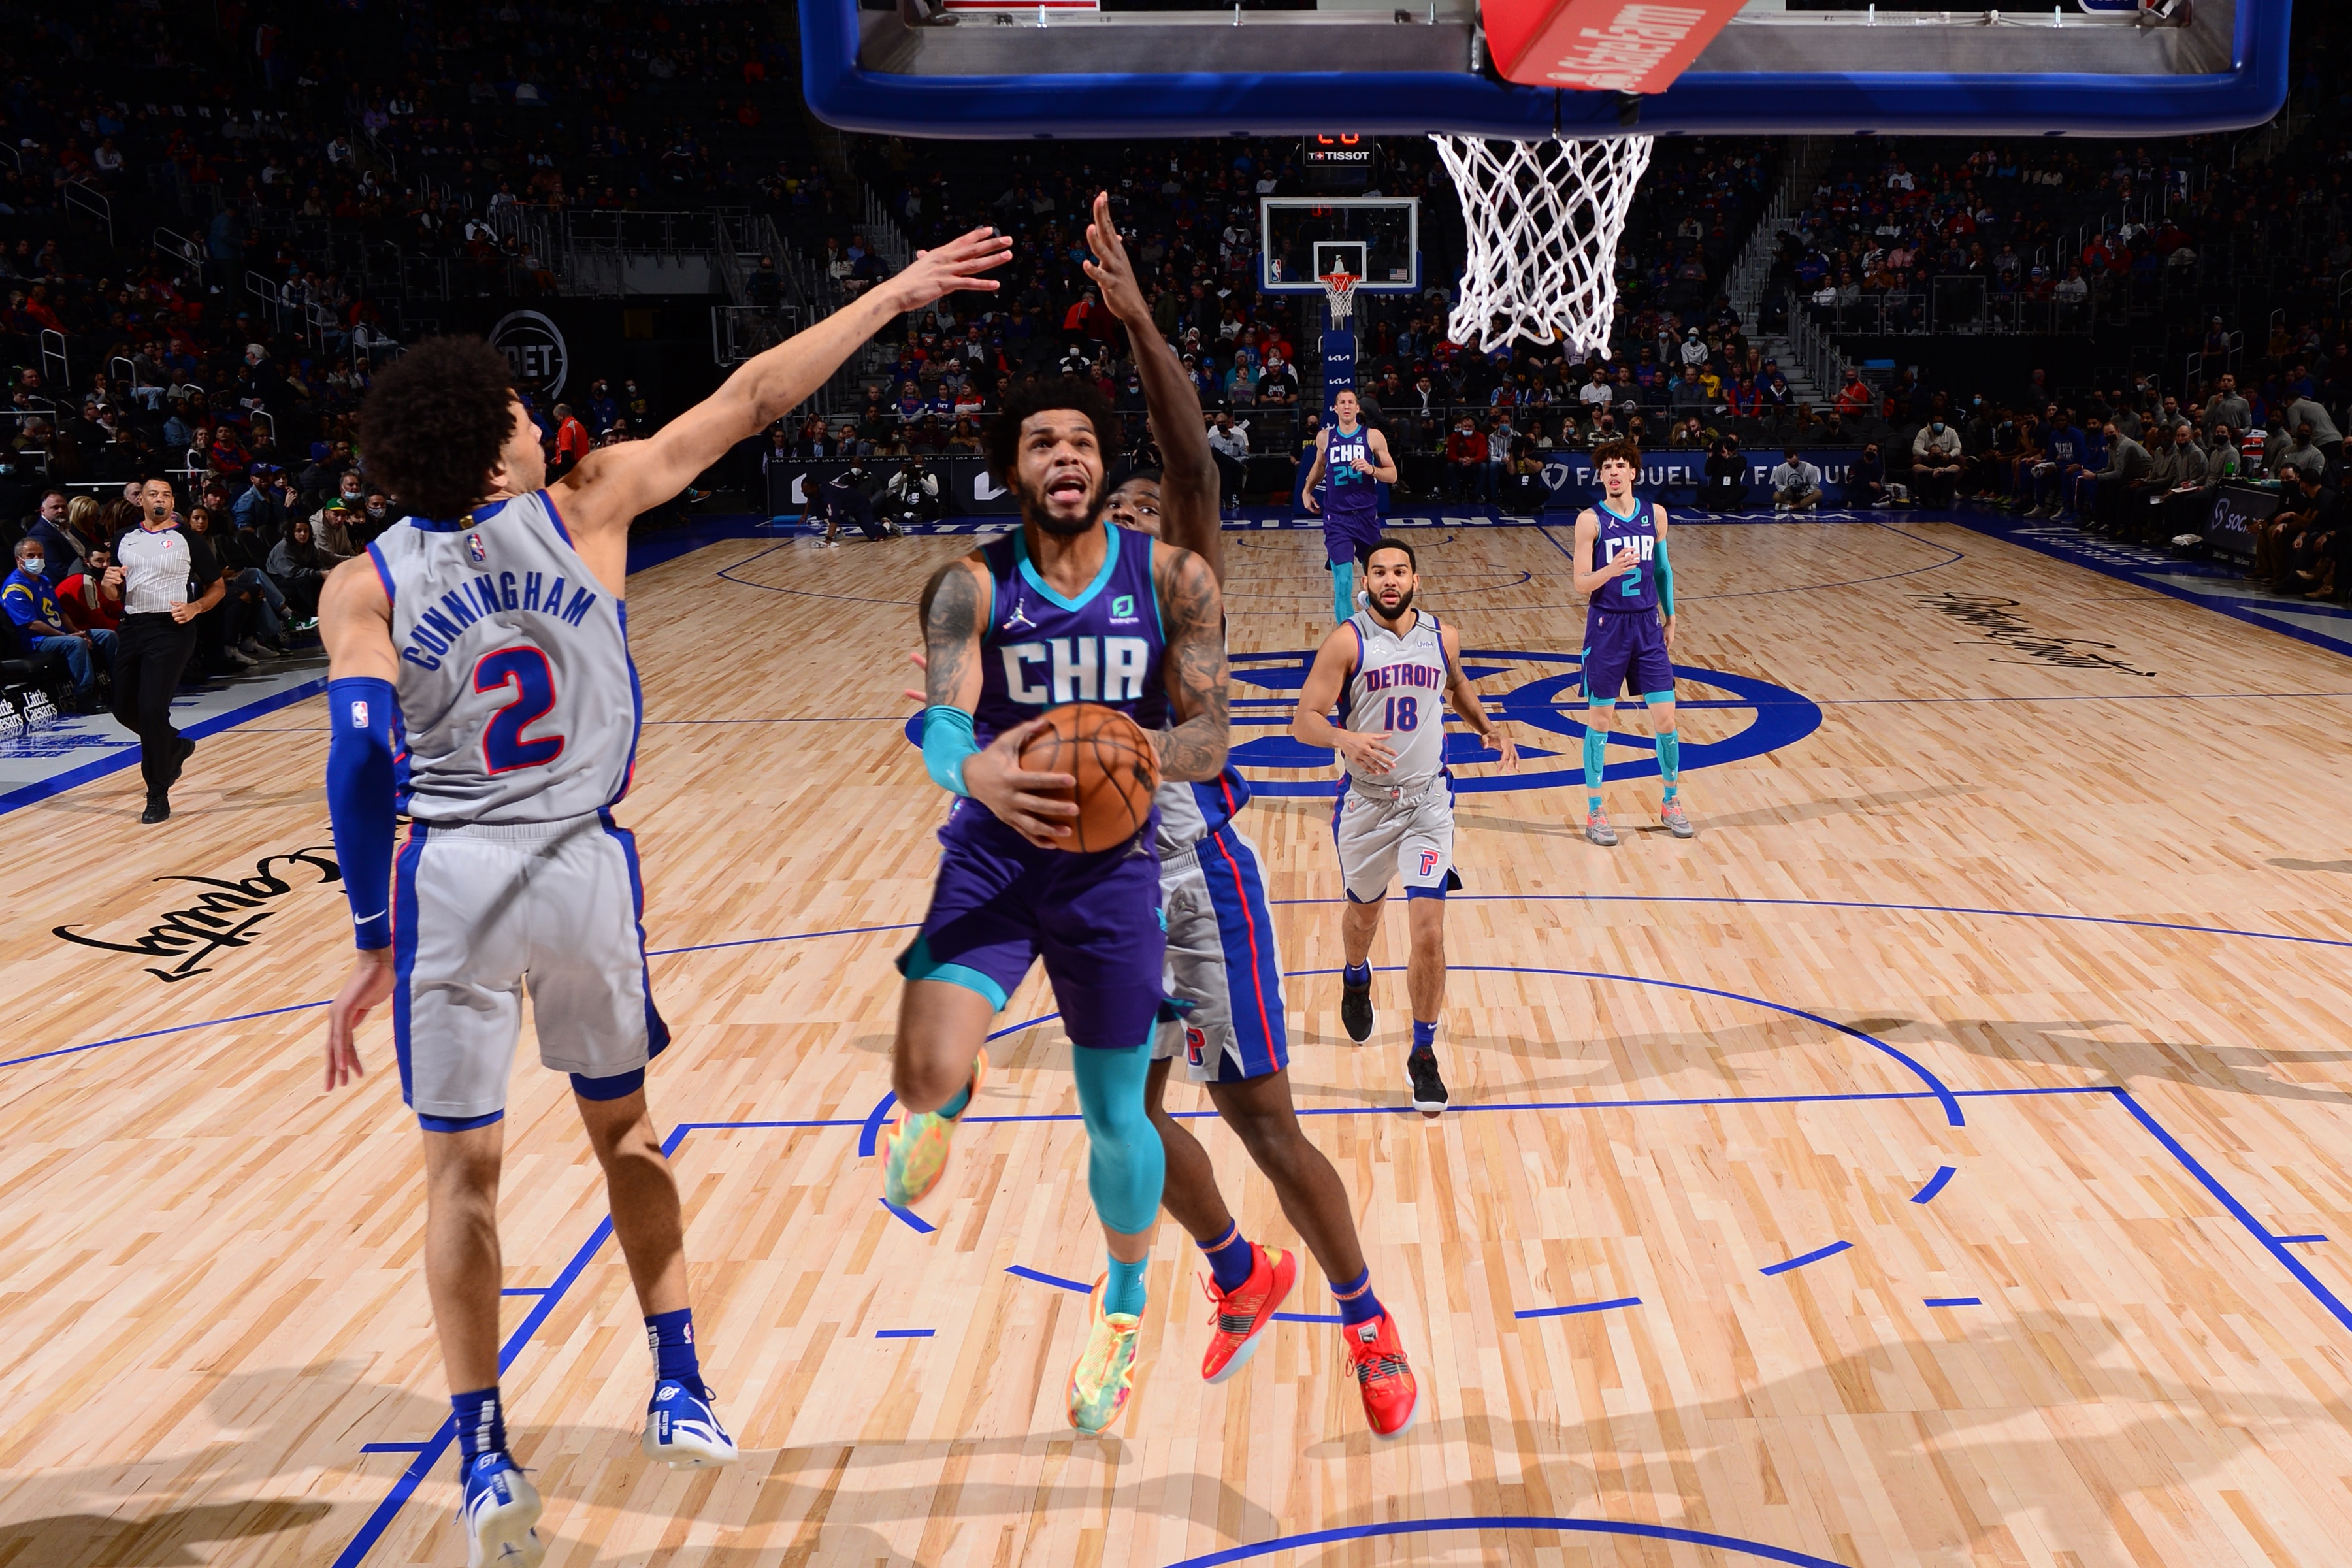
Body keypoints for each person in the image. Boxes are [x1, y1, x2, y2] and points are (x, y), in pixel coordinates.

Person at [313, 226, 1011, 1566]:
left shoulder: (366, 582)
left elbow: (354, 759)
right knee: (626, 1139)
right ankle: (679, 1381)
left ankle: (479, 1451)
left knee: (461, 1175)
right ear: (488, 447)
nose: (542, 421)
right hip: (579, 864)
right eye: (522, 414)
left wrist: (369, 938)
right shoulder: (586, 506)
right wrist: (893, 290)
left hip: (449, 877)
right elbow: (754, 399)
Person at [1080, 193, 1420, 1436]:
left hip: (1196, 879)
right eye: (1108, 517)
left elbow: (1190, 464)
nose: (1130, 524)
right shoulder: (1056, 627)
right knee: (1123, 1116)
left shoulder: (1182, 587)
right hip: (1110, 896)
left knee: (1264, 1124)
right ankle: (1238, 1273)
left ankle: (1368, 1323)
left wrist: (1141, 326)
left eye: (1141, 513)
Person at [887, 368, 1228, 1437]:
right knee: (920, 1067)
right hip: (993, 851)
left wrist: (1135, 749)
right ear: (1011, 468)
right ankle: (952, 1087)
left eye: (1082, 440)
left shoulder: (1175, 579)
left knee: (1116, 1114)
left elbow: (1211, 738)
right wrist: (971, 769)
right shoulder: (966, 588)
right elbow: (942, 722)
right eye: (1043, 441)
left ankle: (1123, 1308)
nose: (1067, 457)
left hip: (1110, 871)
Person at [1288, 538, 1518, 1117]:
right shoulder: (1347, 640)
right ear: (1364, 583)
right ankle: (1356, 973)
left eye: (1399, 571)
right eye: (1379, 573)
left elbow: (1457, 683)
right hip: (1366, 807)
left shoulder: (1442, 636)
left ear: (1416, 579)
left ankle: (1422, 1053)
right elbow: (1304, 720)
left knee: (1428, 933)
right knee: (1364, 916)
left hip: (1427, 803)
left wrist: (1488, 726)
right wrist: (1344, 739)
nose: (1389, 580)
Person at [1571, 441, 1690, 845]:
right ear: (1600, 476)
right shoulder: (1590, 521)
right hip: (1607, 626)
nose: (1614, 472)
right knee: (1601, 720)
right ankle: (1595, 810)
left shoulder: (1655, 515)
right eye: (1607, 467)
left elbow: (1662, 569)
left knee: (1667, 719)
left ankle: (1670, 801)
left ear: (1634, 472)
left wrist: (1670, 617)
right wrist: (1611, 569)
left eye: (1621, 465)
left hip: (1647, 625)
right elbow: (1580, 583)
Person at [101, 476, 223, 823]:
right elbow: (115, 594)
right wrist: (108, 586)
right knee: (124, 709)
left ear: (172, 503)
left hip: (173, 629)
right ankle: (173, 746)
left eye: (167, 495)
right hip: (132, 628)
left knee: (152, 708)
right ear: (140, 500)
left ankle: (157, 792)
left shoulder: (187, 538)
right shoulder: (124, 538)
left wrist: (197, 607)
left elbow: (217, 586)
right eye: (154, 494)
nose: (161, 499)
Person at [1300, 390, 1397, 624]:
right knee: (1343, 580)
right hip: (1337, 518)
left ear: (1357, 408)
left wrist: (1372, 469)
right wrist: (1306, 490)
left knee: (1378, 577)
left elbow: (1393, 475)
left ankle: (1373, 612)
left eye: (1350, 403)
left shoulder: (1372, 436)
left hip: (1366, 517)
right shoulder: (1325, 437)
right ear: (1335, 409)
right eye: (1341, 403)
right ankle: (1349, 637)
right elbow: (1319, 466)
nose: (1346, 406)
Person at [5, 534, 114, 710]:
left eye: (40, 555)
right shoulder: (14, 588)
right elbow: (33, 625)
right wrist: (68, 636)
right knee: (76, 643)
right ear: (19, 559)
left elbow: (61, 613)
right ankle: (84, 696)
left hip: (62, 633)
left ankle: (120, 685)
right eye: (31, 556)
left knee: (108, 636)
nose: (37, 559)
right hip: (37, 640)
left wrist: (76, 631)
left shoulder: (44, 580)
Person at [1912, 417, 1964, 507]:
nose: (1938, 424)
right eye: (1935, 422)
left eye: (1940, 422)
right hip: (1928, 460)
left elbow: (1957, 449)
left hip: (1945, 460)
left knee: (1961, 459)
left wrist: (1948, 459)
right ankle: (1920, 492)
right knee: (1916, 459)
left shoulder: (1951, 432)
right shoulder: (1923, 432)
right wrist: (1930, 463)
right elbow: (1916, 450)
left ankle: (1953, 489)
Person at [1770, 448, 1823, 512]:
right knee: (1776, 495)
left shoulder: (1809, 468)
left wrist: (1805, 493)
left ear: (1798, 456)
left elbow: (1815, 485)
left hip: (1805, 495)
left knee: (1818, 494)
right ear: (1786, 459)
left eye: (1795, 462)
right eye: (1790, 463)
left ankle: (1793, 507)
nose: (1793, 464)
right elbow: (1778, 485)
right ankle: (1805, 506)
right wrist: (1787, 489)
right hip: (1790, 496)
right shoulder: (1780, 469)